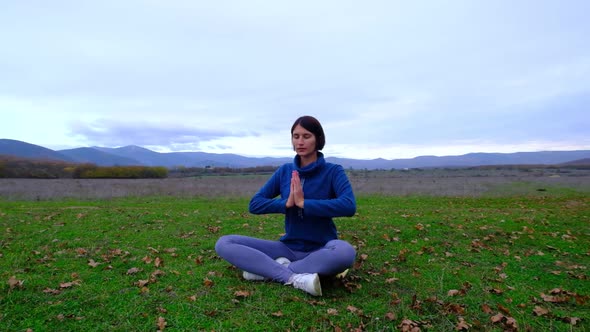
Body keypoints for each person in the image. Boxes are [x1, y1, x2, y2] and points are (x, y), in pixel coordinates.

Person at [215, 115, 357, 296]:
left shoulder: (333, 171)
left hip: (321, 249)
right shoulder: (285, 171)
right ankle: (293, 277)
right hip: (287, 248)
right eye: (296, 136)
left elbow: (348, 205)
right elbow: (255, 204)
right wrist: (286, 204)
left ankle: (271, 270)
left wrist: (305, 204)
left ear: (318, 139)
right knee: (225, 242)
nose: (300, 141)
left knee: (345, 252)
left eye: (306, 136)